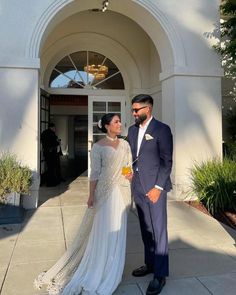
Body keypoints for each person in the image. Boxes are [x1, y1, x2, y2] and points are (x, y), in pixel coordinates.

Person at [35, 113, 132, 295]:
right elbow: (94, 173)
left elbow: (127, 166)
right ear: (106, 126)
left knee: (118, 231)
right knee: (103, 231)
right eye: (116, 122)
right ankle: (98, 267)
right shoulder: (98, 147)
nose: (120, 124)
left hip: (121, 192)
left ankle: (113, 269)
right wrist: (90, 196)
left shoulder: (125, 144)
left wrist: (128, 174)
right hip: (104, 193)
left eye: (120, 121)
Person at [127, 94, 173, 295]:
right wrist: (127, 174)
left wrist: (158, 188)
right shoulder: (131, 130)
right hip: (137, 187)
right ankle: (150, 264)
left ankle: (160, 275)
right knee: (146, 229)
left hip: (155, 188)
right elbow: (128, 157)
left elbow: (166, 162)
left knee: (159, 230)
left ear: (149, 109)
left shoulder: (162, 130)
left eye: (137, 110)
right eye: (133, 110)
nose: (134, 113)